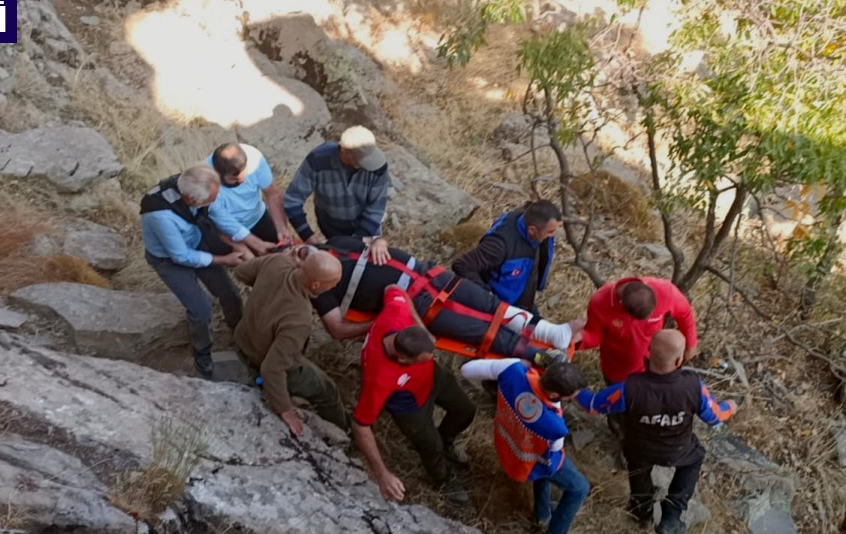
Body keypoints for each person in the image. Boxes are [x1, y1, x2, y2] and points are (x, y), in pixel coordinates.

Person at [293, 238, 580, 363]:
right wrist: (382, 321)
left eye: (293, 249)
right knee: (484, 333)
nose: (298, 253)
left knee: (495, 308)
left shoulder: (336, 243)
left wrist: (379, 240)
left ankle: (551, 332)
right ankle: (540, 356)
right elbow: (337, 329)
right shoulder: (321, 289)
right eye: (293, 258)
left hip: (431, 275)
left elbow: (372, 239)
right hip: (419, 307)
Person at [576, 330, 736, 534]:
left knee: (638, 469)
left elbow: (592, 405)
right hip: (677, 450)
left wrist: (573, 387)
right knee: (694, 458)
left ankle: (641, 514)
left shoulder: (629, 388)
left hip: (638, 448)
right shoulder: (693, 386)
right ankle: (671, 515)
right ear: (679, 359)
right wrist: (731, 407)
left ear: (649, 352)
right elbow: (715, 416)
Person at [351, 285, 475, 507]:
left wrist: (421, 327)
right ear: (404, 361)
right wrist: (382, 474)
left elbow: (394, 289)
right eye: (422, 358)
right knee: (430, 445)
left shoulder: (396, 315)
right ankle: (443, 479)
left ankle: (446, 442)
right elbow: (361, 425)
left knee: (465, 410)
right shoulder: (380, 376)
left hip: (432, 378)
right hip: (408, 403)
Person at [460, 358, 591, 534]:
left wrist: (517, 362)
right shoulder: (555, 426)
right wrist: (556, 406)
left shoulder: (512, 371)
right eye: (570, 397)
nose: (573, 398)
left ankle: (543, 514)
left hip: (508, 444)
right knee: (579, 488)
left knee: (544, 468)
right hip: (532, 459)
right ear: (555, 395)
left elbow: (466, 369)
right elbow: (554, 453)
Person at [140, 164, 247, 377]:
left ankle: (241, 336)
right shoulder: (160, 215)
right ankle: (202, 355)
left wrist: (243, 239)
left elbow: (217, 213)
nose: (213, 202)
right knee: (201, 310)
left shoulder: (193, 184)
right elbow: (180, 256)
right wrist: (224, 259)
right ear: (191, 200)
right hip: (168, 260)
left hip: (194, 243)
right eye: (210, 200)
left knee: (231, 295)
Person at [232, 250, 349, 437]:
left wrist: (265, 287)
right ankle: (343, 431)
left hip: (244, 339)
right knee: (327, 390)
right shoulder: (298, 318)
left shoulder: (277, 261)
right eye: (333, 283)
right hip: (261, 359)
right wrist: (284, 410)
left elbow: (240, 272)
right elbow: (272, 368)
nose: (335, 285)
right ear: (316, 285)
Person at [283, 125, 392, 264]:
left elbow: (376, 208)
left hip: (367, 229)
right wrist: (309, 237)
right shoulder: (318, 160)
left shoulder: (378, 167)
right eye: (361, 160)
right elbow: (292, 200)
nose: (368, 165)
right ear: (345, 151)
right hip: (331, 227)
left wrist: (356, 242)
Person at [579, 276, 698, 385]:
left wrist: (690, 345)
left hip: (655, 370)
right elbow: (594, 335)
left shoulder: (666, 291)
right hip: (619, 374)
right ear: (622, 305)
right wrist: (575, 341)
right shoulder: (600, 302)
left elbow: (685, 314)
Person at [452, 200, 562, 312]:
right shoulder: (499, 245)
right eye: (550, 232)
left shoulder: (532, 222)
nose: (552, 236)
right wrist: (488, 298)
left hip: (524, 304)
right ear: (532, 230)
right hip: (503, 311)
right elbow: (462, 265)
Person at [205, 142, 294, 254]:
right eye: (234, 180)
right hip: (227, 231)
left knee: (284, 250)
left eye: (244, 174)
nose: (241, 181)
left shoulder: (254, 158)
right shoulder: (206, 180)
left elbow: (273, 194)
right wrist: (256, 244)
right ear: (218, 174)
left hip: (258, 215)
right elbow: (222, 219)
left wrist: (281, 228)